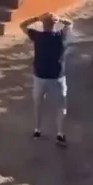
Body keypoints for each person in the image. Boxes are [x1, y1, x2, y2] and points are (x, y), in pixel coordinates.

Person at [20, 12, 74, 148]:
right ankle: (60, 134)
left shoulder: (38, 36)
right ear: (55, 24)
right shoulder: (61, 36)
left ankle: (37, 131)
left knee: (38, 104)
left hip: (40, 76)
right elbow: (70, 24)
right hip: (57, 77)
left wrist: (36, 17)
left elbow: (23, 25)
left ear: (43, 25)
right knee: (61, 107)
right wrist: (59, 18)